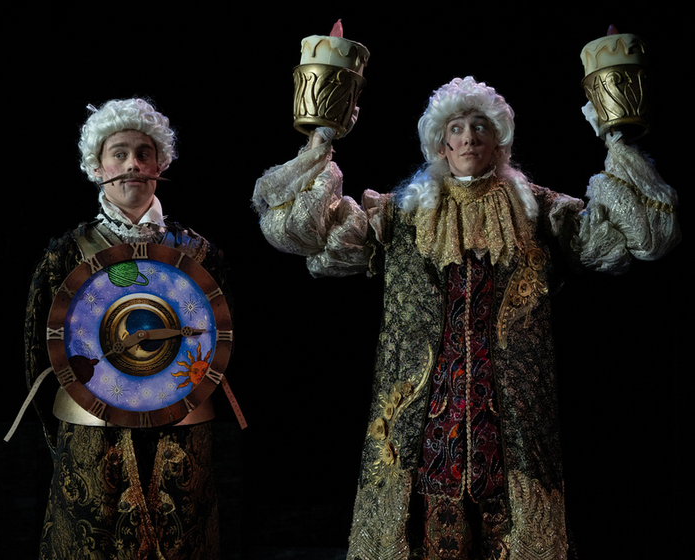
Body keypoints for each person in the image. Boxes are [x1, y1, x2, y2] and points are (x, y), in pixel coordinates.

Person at [252, 76, 680, 559]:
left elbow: (636, 239)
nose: (469, 136)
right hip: (421, 418)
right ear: (440, 142)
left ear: (497, 139)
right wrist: (321, 138)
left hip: (512, 421)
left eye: (479, 126)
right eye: (456, 127)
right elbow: (305, 234)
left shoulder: (539, 210)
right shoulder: (398, 214)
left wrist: (617, 137)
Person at [25, 98, 229, 559]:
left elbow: (223, 344)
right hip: (92, 438)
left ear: (161, 164)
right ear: (97, 166)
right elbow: (38, 353)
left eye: (144, 152)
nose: (132, 164)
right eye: (119, 152)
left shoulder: (200, 254)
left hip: (181, 435)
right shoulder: (65, 255)